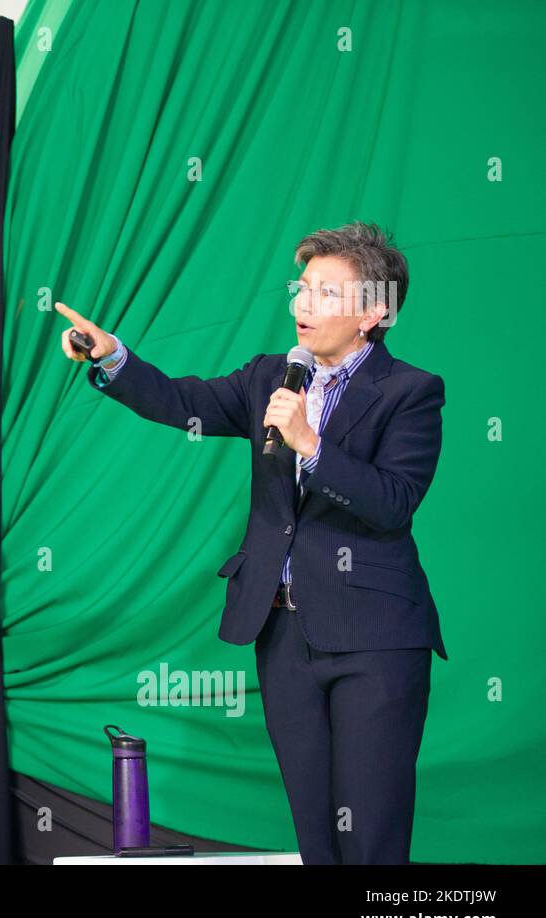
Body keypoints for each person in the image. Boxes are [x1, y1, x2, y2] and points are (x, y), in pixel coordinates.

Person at [57, 221, 445, 864]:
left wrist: (312, 448)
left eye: (325, 293)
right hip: (284, 633)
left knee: (369, 836)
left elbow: (392, 501)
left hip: (375, 639)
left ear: (376, 312)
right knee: (317, 837)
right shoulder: (273, 373)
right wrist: (112, 357)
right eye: (301, 288)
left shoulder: (410, 392)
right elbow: (185, 401)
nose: (302, 305)